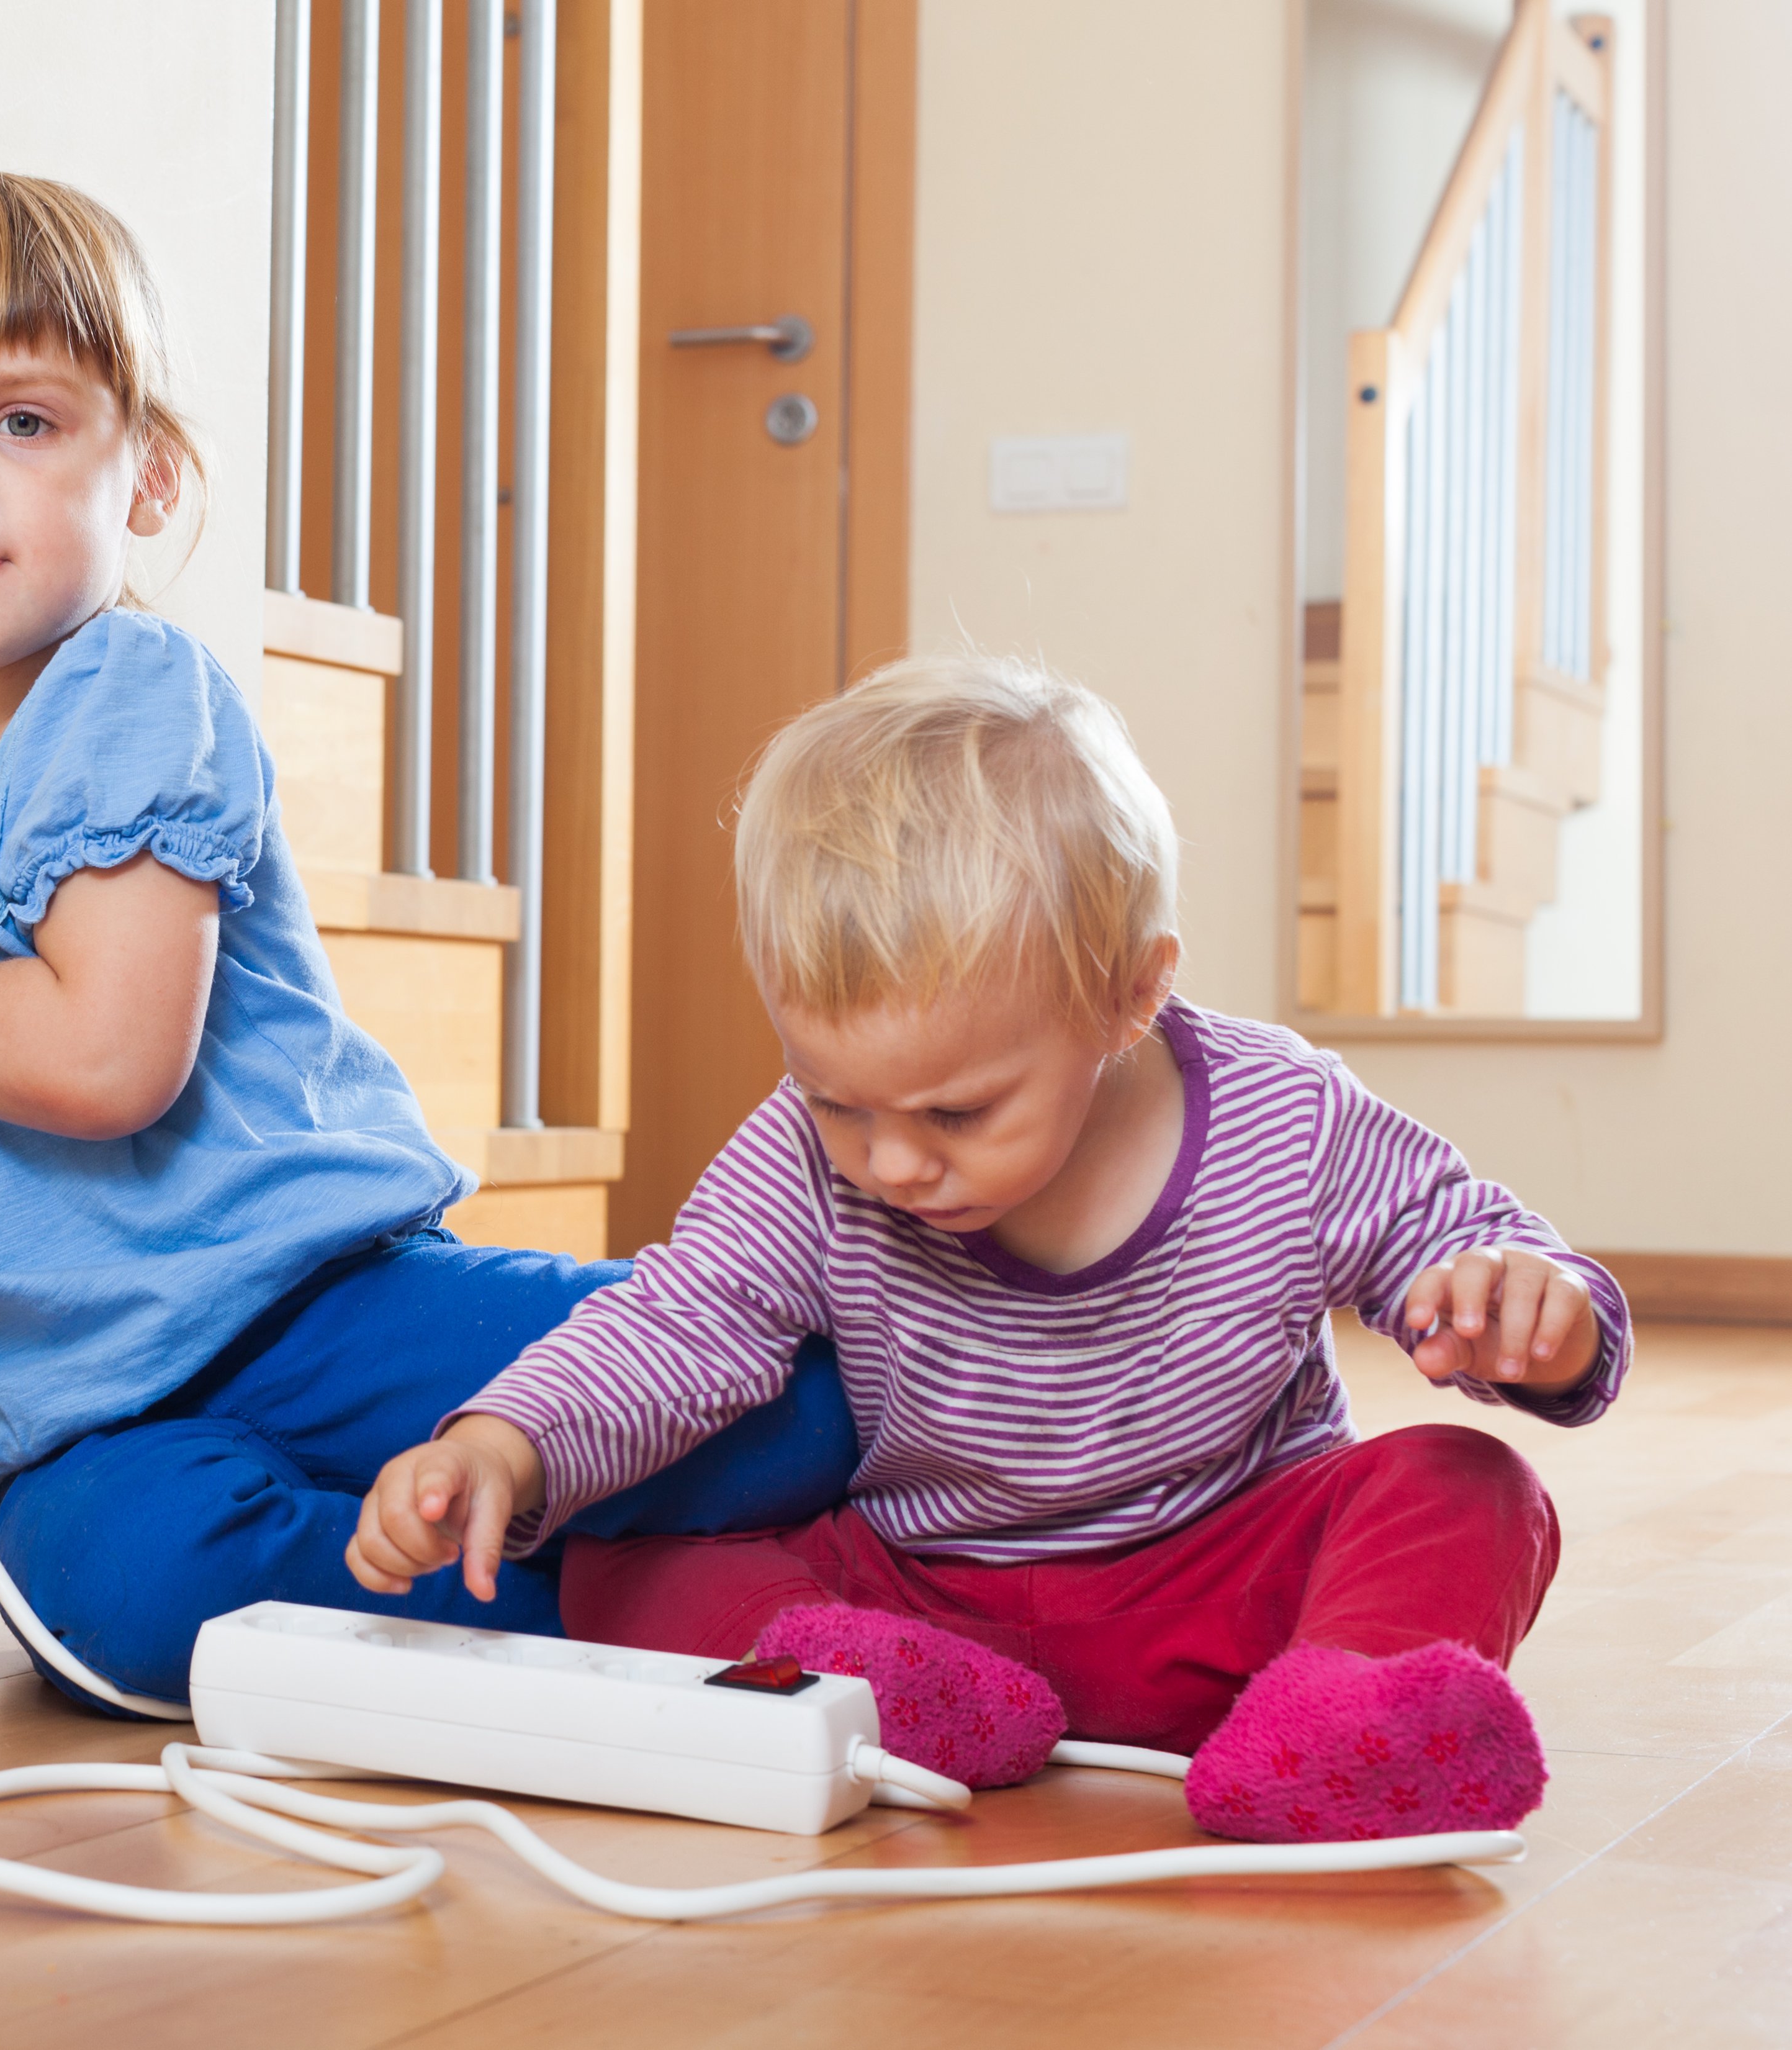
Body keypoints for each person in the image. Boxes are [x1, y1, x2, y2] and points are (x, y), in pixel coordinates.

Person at [0, 171, 853, 1707]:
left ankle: (743, 1548)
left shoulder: (132, 696)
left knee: (798, 1403)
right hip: (90, 1422)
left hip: (324, 1304)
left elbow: (106, 1061)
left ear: (150, 477)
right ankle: (657, 1613)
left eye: (23, 423)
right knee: (113, 1602)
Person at [347, 654, 1626, 1843]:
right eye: (839, 1098)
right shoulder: (801, 1152)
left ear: (1132, 992)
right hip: (925, 1602)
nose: (890, 1160)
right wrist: (505, 1441)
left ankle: (1344, 1721)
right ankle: (856, 1685)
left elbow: (1450, 1236)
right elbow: (685, 1322)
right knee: (624, 1551)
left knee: (1471, 1486)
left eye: (955, 1111)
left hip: (1224, 1590)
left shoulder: (1282, 1121)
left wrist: (1532, 1314)